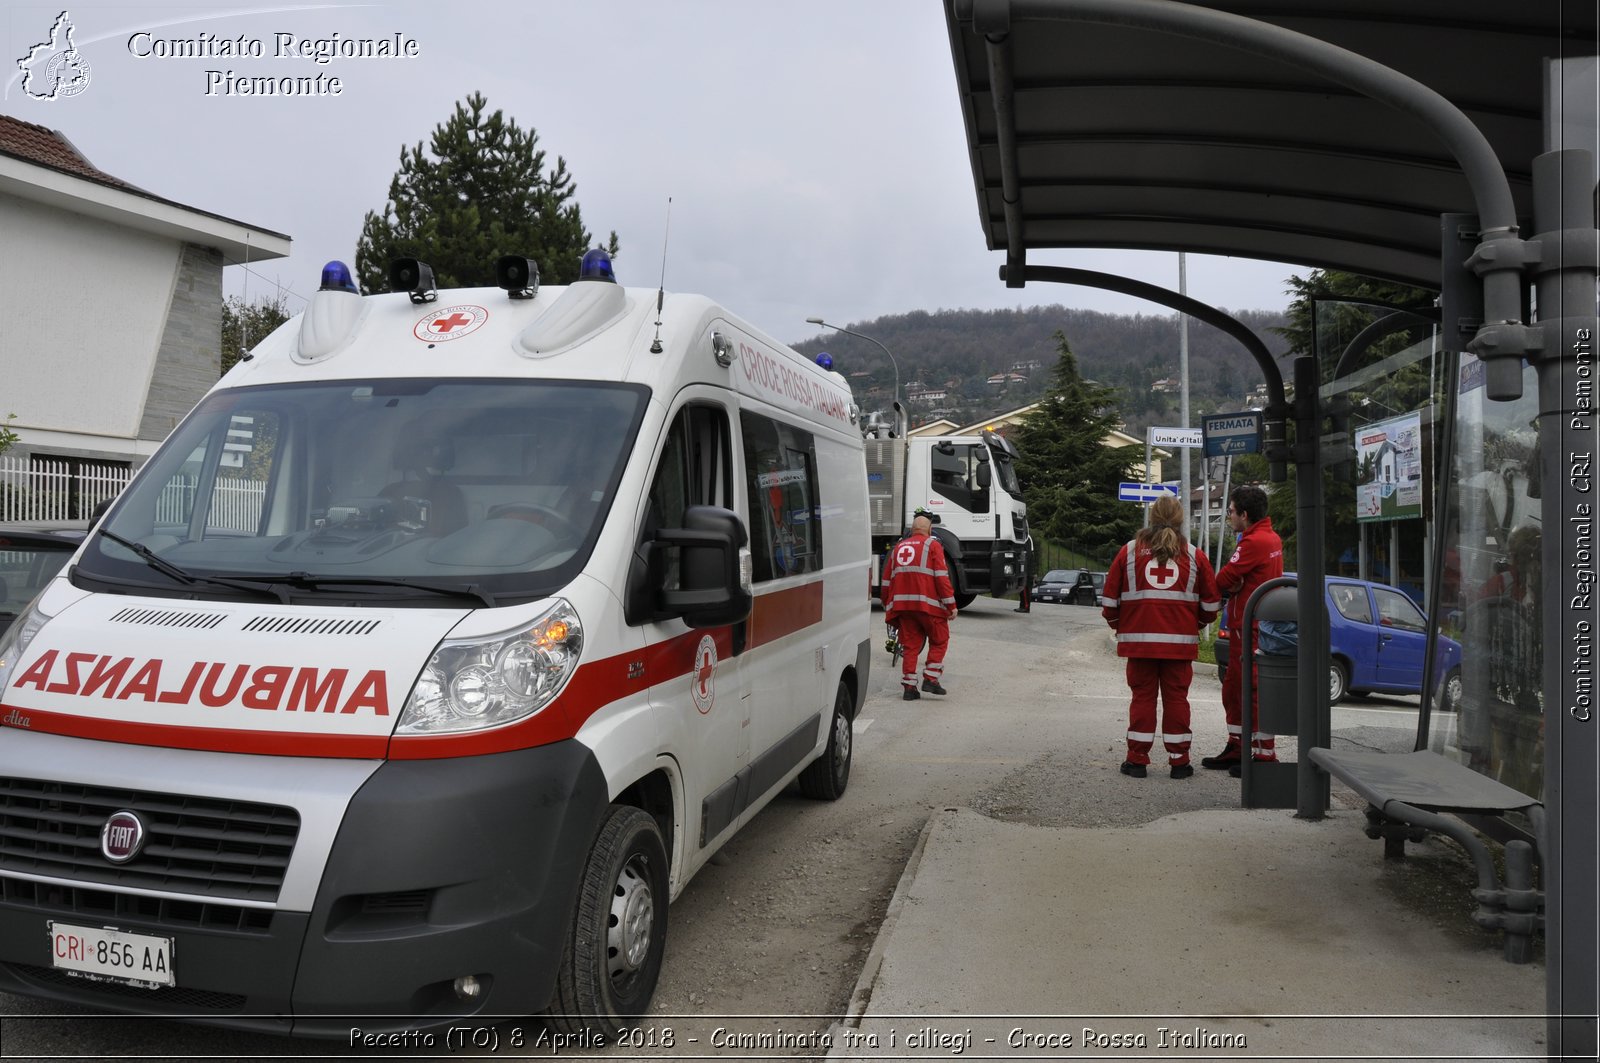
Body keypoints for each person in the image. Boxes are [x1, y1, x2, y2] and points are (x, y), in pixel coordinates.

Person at [1101, 495, 1221, 779]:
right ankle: (1179, 762)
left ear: (1151, 517)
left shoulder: (1129, 551)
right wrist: (1194, 624)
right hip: (1179, 647)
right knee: (1177, 700)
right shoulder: (1194, 555)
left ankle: (1137, 760)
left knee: (1142, 698)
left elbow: (1109, 604)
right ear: (1181, 520)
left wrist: (1123, 627)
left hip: (1140, 645)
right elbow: (1211, 607)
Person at [1201, 484, 1284, 772]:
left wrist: (1231, 584)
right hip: (1247, 625)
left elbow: (1224, 578)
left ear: (1244, 514)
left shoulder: (1255, 541)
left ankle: (1263, 755)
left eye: (1232, 511)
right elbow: (1235, 578)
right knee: (1235, 689)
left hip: (1249, 626)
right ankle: (1238, 746)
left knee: (1251, 689)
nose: (1229, 516)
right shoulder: (1267, 537)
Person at [881, 513, 958, 700]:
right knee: (940, 639)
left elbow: (885, 580)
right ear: (929, 530)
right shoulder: (933, 545)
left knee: (911, 647)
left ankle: (909, 688)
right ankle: (930, 678)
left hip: (904, 608)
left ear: (913, 529)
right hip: (928, 606)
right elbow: (941, 578)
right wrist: (951, 605)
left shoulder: (899, 547)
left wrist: (887, 603)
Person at [1015, 536, 1034, 613]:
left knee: (1025, 588)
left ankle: (1026, 607)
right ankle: (1022, 606)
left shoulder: (1027, 538)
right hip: (1024, 568)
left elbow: (1027, 554)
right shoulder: (1024, 537)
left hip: (1027, 569)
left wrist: (1024, 568)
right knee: (1022, 588)